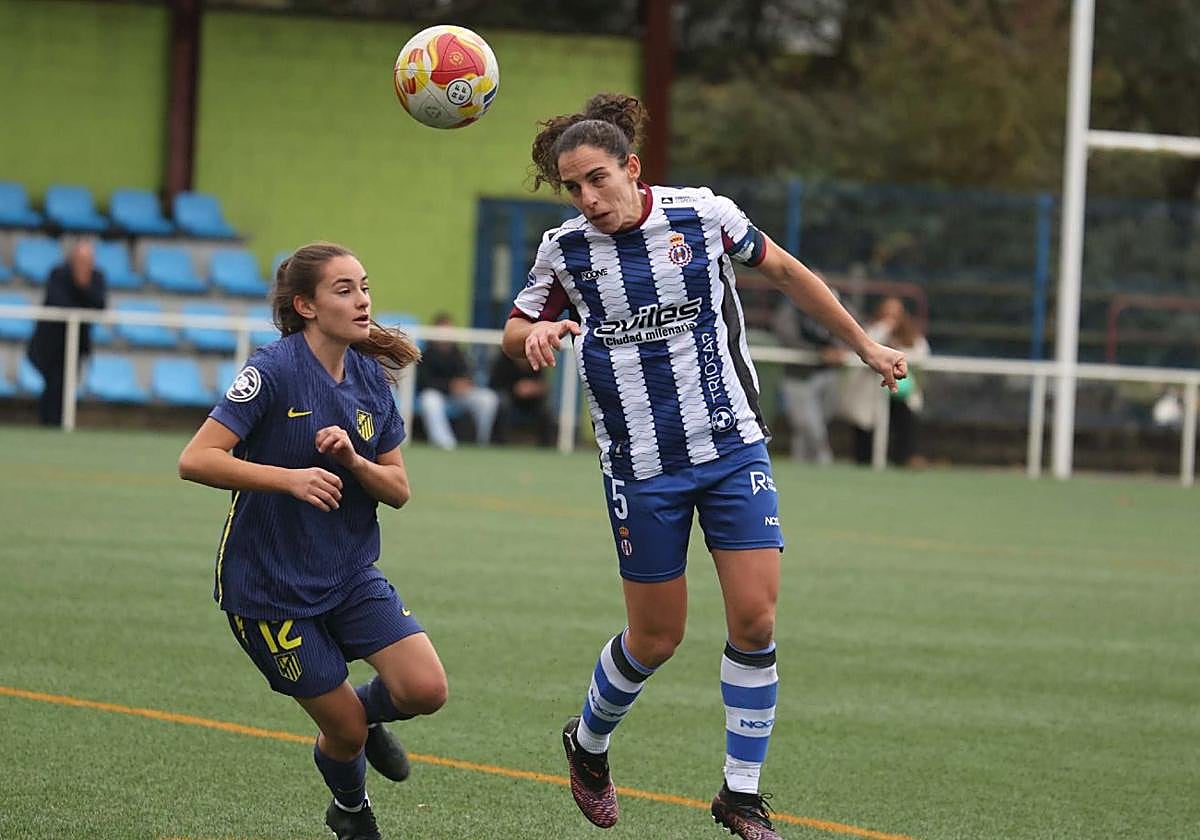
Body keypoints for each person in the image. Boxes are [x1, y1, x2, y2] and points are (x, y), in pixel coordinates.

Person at [502, 93, 907, 840]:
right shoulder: (566, 250)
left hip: (730, 448)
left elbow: (787, 272)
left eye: (598, 180)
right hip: (640, 466)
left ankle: (740, 795)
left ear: (631, 167)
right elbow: (517, 323)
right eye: (573, 188)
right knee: (656, 638)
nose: (587, 199)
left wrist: (865, 345)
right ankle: (587, 744)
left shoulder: (703, 215)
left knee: (755, 619)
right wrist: (529, 336)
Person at [177, 242, 448, 840]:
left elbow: (398, 490)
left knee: (426, 689)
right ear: (306, 305)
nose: (362, 300)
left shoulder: (371, 380)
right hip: (268, 587)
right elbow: (195, 459)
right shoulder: (271, 371)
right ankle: (351, 810)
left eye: (365, 286)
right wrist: (290, 479)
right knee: (345, 733)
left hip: (349, 571)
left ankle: (362, 717)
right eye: (344, 289)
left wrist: (354, 460)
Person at [839, 296, 930, 466]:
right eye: (887, 313)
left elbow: (920, 357)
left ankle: (905, 458)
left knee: (904, 422)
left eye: (895, 314)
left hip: (899, 393)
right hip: (870, 393)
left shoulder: (913, 339)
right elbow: (865, 349)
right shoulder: (871, 331)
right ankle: (864, 459)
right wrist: (884, 328)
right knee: (866, 426)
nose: (891, 318)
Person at [27, 240, 107, 426]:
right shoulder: (59, 274)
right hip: (51, 343)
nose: (85, 264)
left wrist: (83, 285)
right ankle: (48, 424)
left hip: (77, 344)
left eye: (88, 260)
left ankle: (60, 424)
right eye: (81, 260)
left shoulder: (97, 277)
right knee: (53, 385)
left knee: (67, 385)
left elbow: (99, 305)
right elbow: (59, 303)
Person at [771, 296, 850, 464]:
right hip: (799, 375)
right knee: (808, 425)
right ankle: (824, 461)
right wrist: (820, 352)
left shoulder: (835, 304)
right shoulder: (791, 310)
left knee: (816, 424)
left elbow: (850, 326)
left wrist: (839, 349)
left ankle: (801, 464)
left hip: (827, 373)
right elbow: (787, 336)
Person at [415, 311, 499, 449]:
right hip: (437, 395)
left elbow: (468, 374)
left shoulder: (459, 353)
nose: (445, 337)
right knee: (429, 401)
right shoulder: (425, 355)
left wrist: (465, 384)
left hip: (459, 396)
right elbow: (423, 383)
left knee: (487, 399)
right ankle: (445, 444)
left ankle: (481, 442)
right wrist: (449, 386)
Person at [489, 350, 557, 446]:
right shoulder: (503, 360)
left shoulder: (536, 357)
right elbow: (494, 385)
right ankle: (500, 443)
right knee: (503, 404)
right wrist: (515, 389)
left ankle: (547, 446)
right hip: (508, 397)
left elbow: (545, 386)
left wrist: (534, 388)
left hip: (531, 400)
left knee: (546, 410)